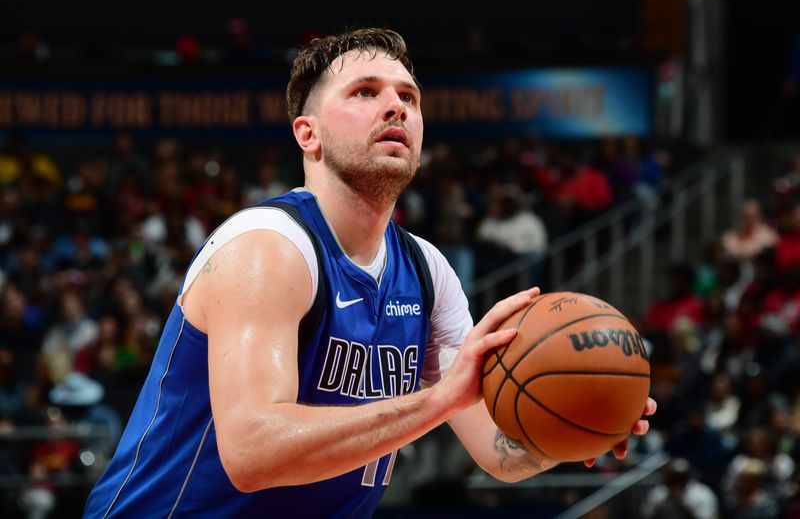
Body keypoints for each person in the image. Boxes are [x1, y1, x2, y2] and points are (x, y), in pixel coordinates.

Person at [84, 27, 656, 518]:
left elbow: (499, 453)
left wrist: (579, 421)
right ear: (306, 134)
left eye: (409, 95)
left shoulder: (428, 272)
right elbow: (253, 453)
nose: (396, 106)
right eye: (365, 91)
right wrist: (437, 401)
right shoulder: (267, 248)